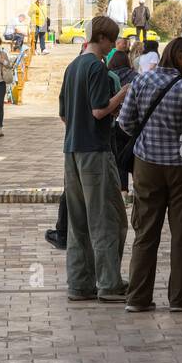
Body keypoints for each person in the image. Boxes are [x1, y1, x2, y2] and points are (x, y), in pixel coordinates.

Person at [118, 38, 182, 313]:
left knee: (145, 232)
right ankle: (178, 298)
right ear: (180, 58)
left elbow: (125, 122)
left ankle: (137, 297)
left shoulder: (141, 81)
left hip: (147, 165)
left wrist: (149, 135)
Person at [59, 15, 131, 303]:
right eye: (112, 40)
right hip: (96, 151)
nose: (113, 46)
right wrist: (122, 95)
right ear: (102, 39)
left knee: (78, 222)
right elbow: (100, 111)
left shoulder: (73, 66)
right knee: (107, 218)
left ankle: (79, 283)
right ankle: (109, 283)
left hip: (71, 150)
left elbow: (64, 114)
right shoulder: (97, 68)